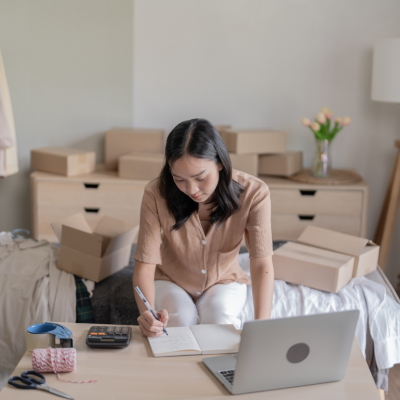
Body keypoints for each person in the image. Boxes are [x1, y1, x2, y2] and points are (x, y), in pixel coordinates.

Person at [132, 118, 274, 338]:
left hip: (224, 279)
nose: (192, 190)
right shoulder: (155, 193)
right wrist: (147, 314)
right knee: (179, 321)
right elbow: (144, 265)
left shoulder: (255, 193)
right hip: (170, 278)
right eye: (179, 179)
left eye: (200, 177)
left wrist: (263, 325)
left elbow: (262, 262)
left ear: (219, 162)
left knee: (219, 322)